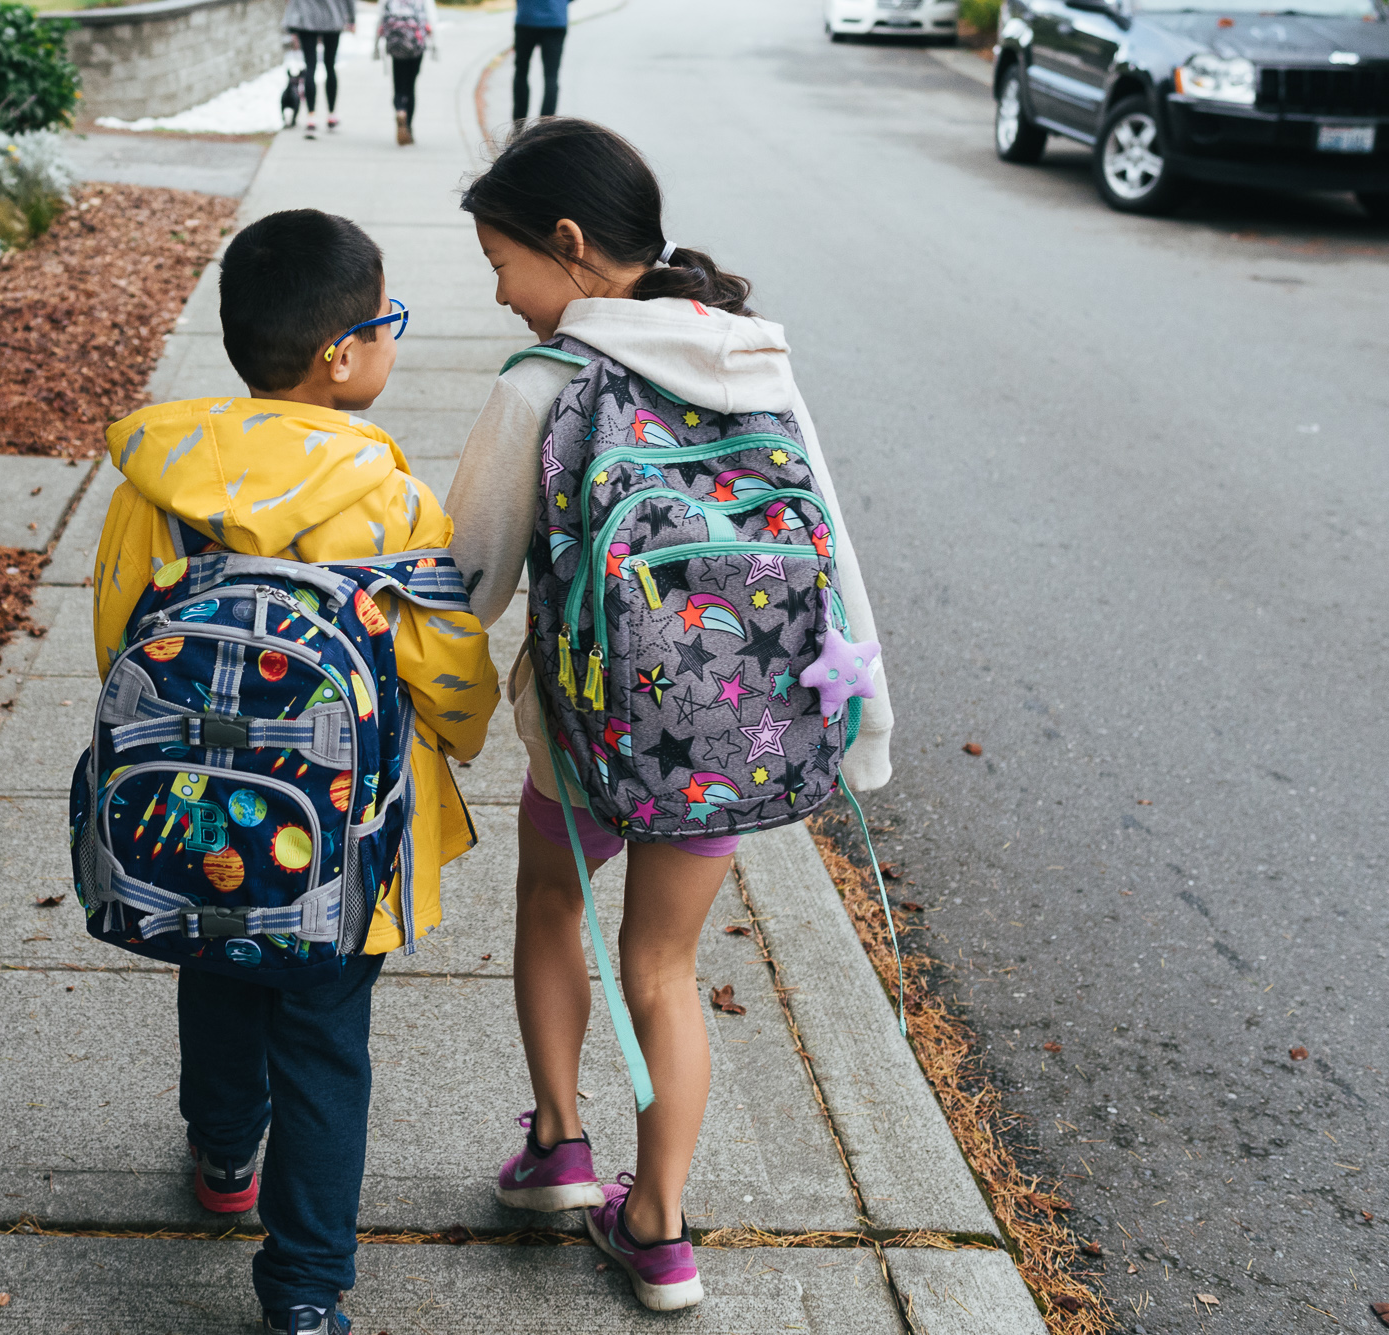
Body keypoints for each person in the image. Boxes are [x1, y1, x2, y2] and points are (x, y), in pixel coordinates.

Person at [444, 119, 896, 1311]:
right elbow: (830, 550)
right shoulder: (748, 361)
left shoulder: (546, 383)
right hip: (730, 738)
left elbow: (468, 576)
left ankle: (558, 1145)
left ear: (570, 245)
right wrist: (866, 719)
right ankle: (658, 1229)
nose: (499, 296)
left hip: (585, 742)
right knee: (665, 969)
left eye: (502, 266)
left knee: (553, 903)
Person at [91, 208, 499, 1335]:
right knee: (323, 1043)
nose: (391, 344)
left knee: (215, 973)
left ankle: (224, 1156)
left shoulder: (153, 485)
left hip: (189, 818)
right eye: (387, 324)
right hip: (343, 843)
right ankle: (306, 1293)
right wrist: (456, 748)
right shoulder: (389, 501)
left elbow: (116, 642)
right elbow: (448, 672)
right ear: (341, 353)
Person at [284, 0, 356, 138]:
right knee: (330, 66)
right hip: (333, 17)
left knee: (310, 66)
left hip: (307, 19)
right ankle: (331, 115)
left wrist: (289, 22)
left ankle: (311, 118)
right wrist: (352, 18)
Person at [375, 0, 440, 146]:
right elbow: (432, 17)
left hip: (396, 45)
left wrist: (375, 47)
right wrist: (435, 45)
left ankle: (400, 109)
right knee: (411, 85)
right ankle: (408, 128)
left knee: (398, 84)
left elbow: (380, 18)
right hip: (415, 45)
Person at [512, 0, 569, 123]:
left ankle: (518, 126)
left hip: (526, 17)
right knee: (551, 77)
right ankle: (545, 129)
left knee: (521, 73)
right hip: (555, 19)